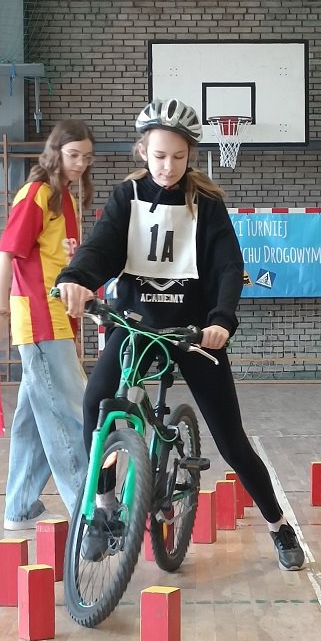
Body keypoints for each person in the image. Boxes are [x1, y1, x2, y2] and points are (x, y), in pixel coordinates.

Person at [55, 97, 306, 571]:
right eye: (158, 156)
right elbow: (100, 248)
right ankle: (104, 509)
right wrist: (76, 278)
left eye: (177, 156)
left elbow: (228, 266)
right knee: (97, 405)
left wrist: (221, 320)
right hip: (136, 326)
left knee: (231, 440)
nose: (167, 166)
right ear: (142, 152)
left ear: (190, 154)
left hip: (193, 332)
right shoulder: (126, 198)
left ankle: (278, 524)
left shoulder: (206, 205)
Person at [0, 120, 94, 530]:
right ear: (55, 153)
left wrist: (76, 327)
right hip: (39, 322)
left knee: (32, 422)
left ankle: (21, 507)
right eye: (73, 155)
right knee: (70, 417)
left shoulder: (67, 201)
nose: (80, 163)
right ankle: (89, 514)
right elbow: (6, 255)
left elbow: (62, 270)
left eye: (86, 157)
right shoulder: (37, 194)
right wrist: (0, 315)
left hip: (59, 322)